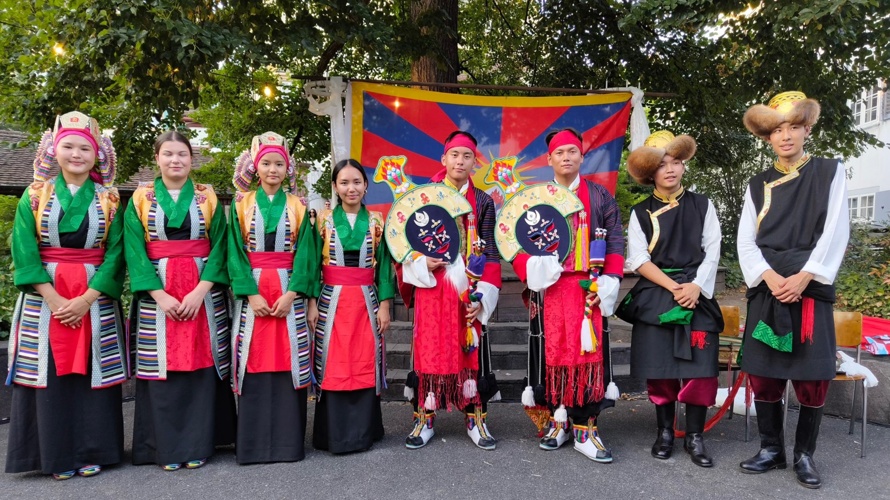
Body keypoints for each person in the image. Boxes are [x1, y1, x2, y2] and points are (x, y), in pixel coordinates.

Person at [5, 112, 127, 479]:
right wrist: (55, 299)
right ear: (54, 151)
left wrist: (87, 298)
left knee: (93, 370)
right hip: (46, 297)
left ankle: (95, 451)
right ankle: (54, 455)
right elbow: (23, 249)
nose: (77, 154)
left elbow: (117, 253)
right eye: (69, 147)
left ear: (97, 155)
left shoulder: (110, 199)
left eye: (84, 148)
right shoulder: (34, 194)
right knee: (50, 372)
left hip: (94, 294)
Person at [737, 91, 849, 489]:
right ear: (768, 137)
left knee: (811, 376)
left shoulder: (829, 172)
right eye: (778, 130)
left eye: (794, 128)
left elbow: (836, 230)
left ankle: (804, 455)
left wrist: (806, 276)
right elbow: (746, 241)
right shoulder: (757, 183)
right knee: (765, 373)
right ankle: (772, 450)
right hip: (768, 287)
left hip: (809, 287)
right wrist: (768, 277)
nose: (786, 136)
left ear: (807, 130)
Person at [511, 128, 624, 462]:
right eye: (560, 153)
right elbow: (515, 245)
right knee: (550, 356)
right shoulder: (534, 198)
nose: (566, 157)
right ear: (549, 160)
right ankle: (558, 421)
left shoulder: (601, 197)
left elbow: (615, 242)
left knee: (588, 357)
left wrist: (610, 279)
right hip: (549, 289)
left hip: (588, 289)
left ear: (581, 157)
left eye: (573, 151)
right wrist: (533, 268)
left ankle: (585, 428)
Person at [125, 131, 236, 471]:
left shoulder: (208, 197)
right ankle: (162, 447)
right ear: (157, 158)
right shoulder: (140, 197)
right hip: (158, 293)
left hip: (202, 293)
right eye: (168, 154)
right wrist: (158, 294)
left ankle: (200, 444)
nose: (176, 160)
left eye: (182, 154)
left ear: (192, 159)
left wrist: (201, 289)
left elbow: (221, 246)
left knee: (201, 365)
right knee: (161, 368)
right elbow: (133, 249)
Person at [620, 131, 723, 467]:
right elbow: (637, 259)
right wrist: (674, 287)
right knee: (660, 371)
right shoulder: (640, 212)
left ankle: (694, 436)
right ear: (651, 171)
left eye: (676, 162)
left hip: (698, 293)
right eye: (662, 164)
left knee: (700, 371)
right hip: (657, 294)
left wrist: (695, 286)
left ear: (684, 165)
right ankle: (665, 432)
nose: (670, 169)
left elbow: (713, 249)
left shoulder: (703, 205)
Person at [399, 131, 502, 450]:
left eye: (467, 156)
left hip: (468, 287)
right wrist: (419, 261)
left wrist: (483, 296)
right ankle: (424, 418)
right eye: (454, 155)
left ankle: (476, 419)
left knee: (471, 350)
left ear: (475, 162)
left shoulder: (483, 201)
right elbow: (402, 244)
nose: (460, 161)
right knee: (429, 352)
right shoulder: (422, 196)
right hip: (431, 287)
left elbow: (491, 251)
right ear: (443, 159)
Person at [227, 131, 317, 464]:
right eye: (266, 162)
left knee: (289, 360)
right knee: (252, 359)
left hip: (287, 294)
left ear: (288, 169)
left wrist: (294, 292)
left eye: (279, 163)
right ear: (255, 166)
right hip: (254, 296)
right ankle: (251, 446)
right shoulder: (241, 204)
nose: (273, 169)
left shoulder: (299, 206)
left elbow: (307, 253)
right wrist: (249, 294)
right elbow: (234, 253)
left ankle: (288, 445)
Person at [308, 159, 394, 454]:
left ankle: (364, 432)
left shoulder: (377, 222)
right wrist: (311, 303)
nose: (351, 188)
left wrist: (384, 306)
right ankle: (333, 434)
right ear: (334, 187)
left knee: (364, 359)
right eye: (344, 183)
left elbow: (384, 268)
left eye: (357, 182)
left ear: (366, 185)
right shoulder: (321, 220)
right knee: (332, 360)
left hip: (366, 302)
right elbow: (310, 265)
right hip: (331, 301)